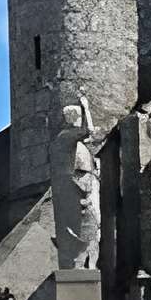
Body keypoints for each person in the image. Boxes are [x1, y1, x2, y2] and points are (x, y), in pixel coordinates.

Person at [49, 94, 100, 272]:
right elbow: (90, 130)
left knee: (90, 229)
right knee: (79, 230)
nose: (80, 121)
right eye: (78, 118)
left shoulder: (74, 143)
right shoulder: (65, 137)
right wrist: (86, 106)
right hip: (74, 192)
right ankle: (78, 264)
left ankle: (84, 263)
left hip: (81, 190)